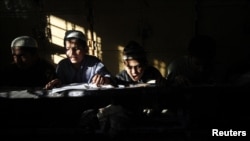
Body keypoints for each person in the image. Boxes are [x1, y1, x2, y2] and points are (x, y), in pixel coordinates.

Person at [45, 30, 114, 89]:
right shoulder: (62, 65)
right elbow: (58, 80)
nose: (72, 53)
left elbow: (110, 78)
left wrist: (105, 79)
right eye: (68, 49)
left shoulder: (94, 63)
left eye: (76, 48)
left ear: (85, 49)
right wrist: (56, 82)